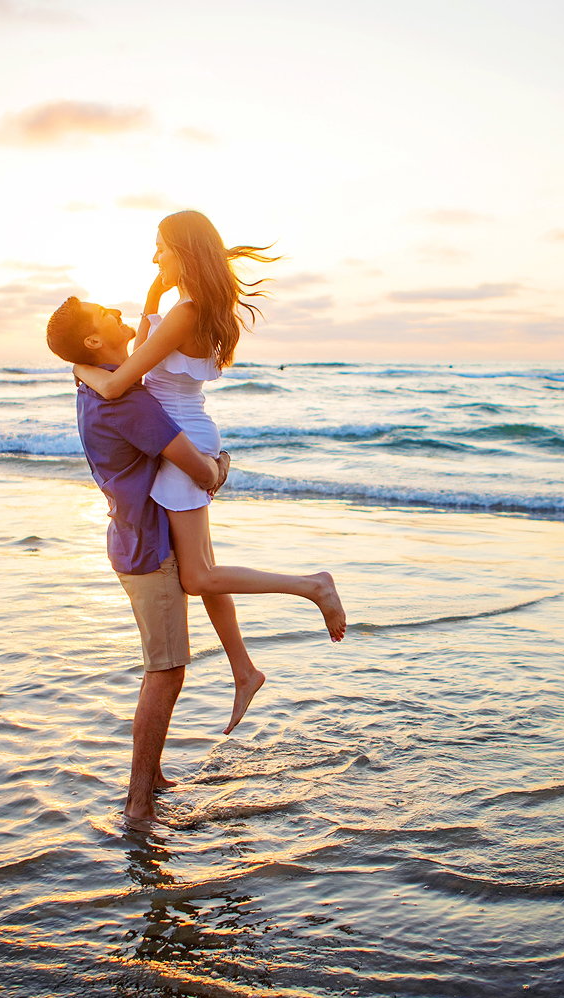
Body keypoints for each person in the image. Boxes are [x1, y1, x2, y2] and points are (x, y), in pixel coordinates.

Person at [70, 211, 345, 739]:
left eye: (160, 249)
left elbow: (117, 384)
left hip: (183, 445)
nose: (155, 258)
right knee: (207, 566)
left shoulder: (186, 313)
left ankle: (313, 586)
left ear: (183, 251)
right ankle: (244, 670)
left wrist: (77, 366)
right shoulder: (197, 309)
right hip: (190, 432)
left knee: (196, 576)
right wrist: (153, 292)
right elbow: (151, 355)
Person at [46, 295, 228, 823]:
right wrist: (219, 468)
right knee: (166, 672)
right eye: (105, 314)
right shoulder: (128, 402)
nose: (116, 311)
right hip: (149, 549)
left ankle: (154, 777)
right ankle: (138, 803)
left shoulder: (93, 380)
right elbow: (195, 467)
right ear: (94, 342)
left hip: (132, 538)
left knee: (163, 667)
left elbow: (107, 355)